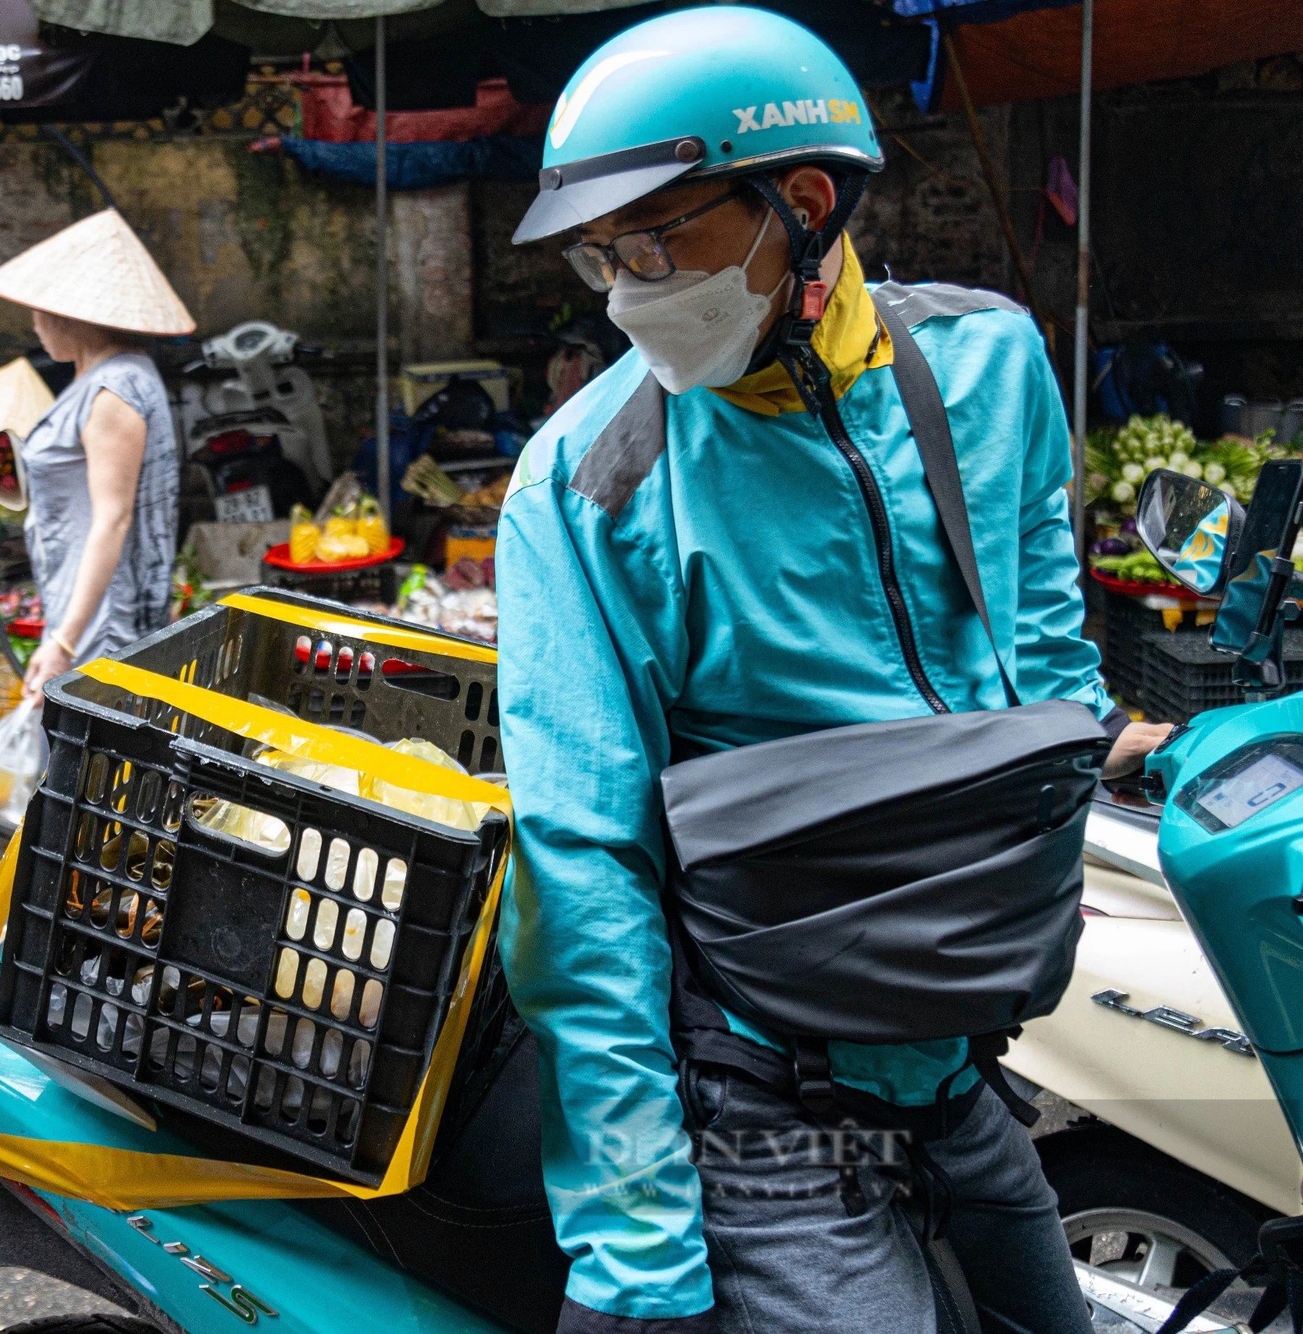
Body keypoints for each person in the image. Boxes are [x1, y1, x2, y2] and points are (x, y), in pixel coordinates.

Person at [495, 10, 1175, 1333]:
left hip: (953, 1060)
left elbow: (1036, 657)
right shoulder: (587, 488)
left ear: (802, 205)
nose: (628, 294)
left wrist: (1087, 782)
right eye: (602, 257)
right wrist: (640, 1238)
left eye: (655, 243)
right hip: (759, 1090)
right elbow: (582, 866)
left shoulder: (988, 365)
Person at [0, 210, 191, 694]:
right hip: (85, 604)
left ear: (70, 316)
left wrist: (65, 641)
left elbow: (112, 520)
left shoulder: (115, 390)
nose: (33, 325)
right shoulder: (98, 376)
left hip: (103, 621)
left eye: (39, 311)